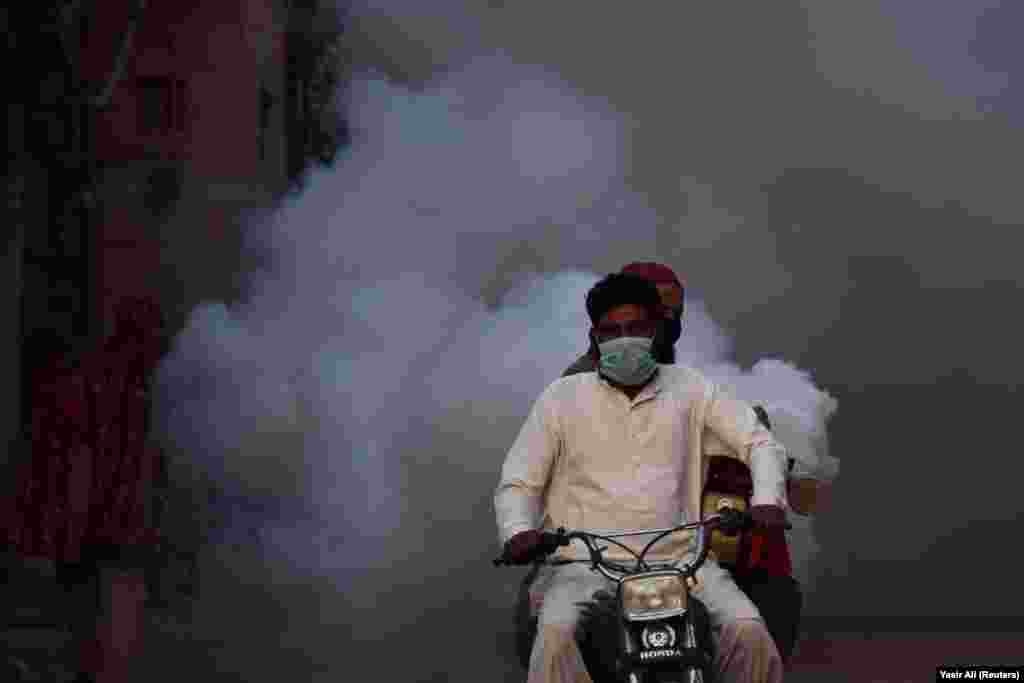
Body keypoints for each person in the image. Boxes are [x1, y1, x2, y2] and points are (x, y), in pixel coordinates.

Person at [496, 272, 788, 683]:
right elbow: (519, 481)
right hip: (584, 564)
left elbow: (760, 443)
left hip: (684, 563)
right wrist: (518, 530)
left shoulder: (692, 390)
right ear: (595, 337)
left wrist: (767, 501)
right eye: (612, 331)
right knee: (555, 633)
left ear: (657, 332)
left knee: (750, 631)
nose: (624, 339)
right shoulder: (561, 399)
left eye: (636, 329)